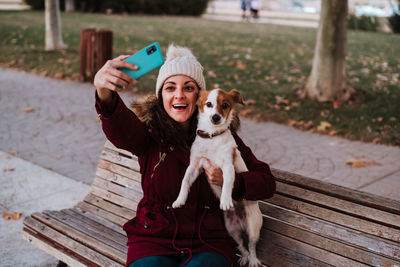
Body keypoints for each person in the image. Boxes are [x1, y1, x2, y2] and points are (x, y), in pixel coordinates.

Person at [94, 44, 276, 267]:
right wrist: (104, 92)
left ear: (200, 98)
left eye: (188, 88)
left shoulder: (221, 136)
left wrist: (232, 181)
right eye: (170, 88)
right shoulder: (148, 133)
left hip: (208, 241)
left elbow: (266, 182)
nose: (179, 94)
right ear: (161, 96)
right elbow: (121, 129)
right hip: (154, 238)